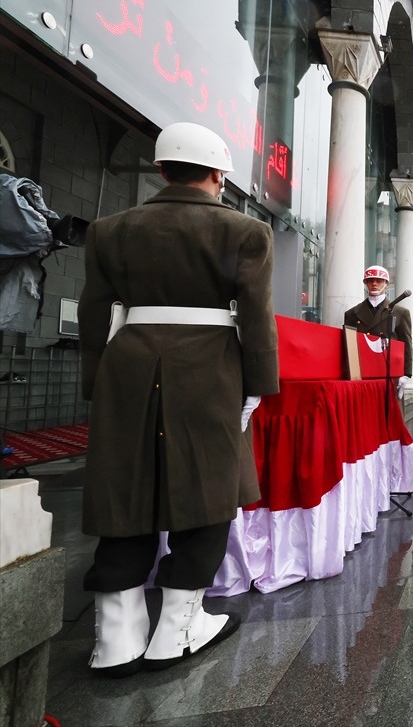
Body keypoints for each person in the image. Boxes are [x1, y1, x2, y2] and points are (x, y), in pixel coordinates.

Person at [78, 122, 278, 675]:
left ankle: (114, 637)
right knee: (207, 487)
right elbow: (257, 321)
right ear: (217, 175)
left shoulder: (109, 230)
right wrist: (260, 386)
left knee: (125, 489)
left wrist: (97, 382)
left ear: (161, 170)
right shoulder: (246, 232)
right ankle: (178, 628)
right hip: (210, 366)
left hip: (128, 363)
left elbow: (94, 313)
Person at [344, 265, 413, 379]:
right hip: (362, 371)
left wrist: (406, 374)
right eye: (370, 281)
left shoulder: (400, 313)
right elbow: (348, 345)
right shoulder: (352, 313)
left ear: (386, 284)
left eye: (379, 281)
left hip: (388, 372)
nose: (374, 284)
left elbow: (407, 345)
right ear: (366, 283)